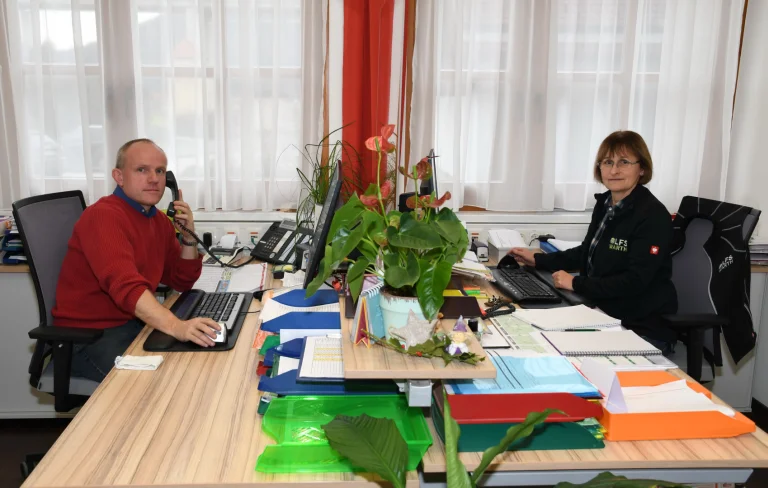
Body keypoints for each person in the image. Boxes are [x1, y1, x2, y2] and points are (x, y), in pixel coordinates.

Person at [52, 138, 221, 382]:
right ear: (119, 177)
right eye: (142, 170)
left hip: (131, 324)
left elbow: (181, 280)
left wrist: (188, 237)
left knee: (194, 366)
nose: (154, 179)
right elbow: (126, 287)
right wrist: (177, 327)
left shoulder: (157, 220)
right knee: (161, 385)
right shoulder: (103, 216)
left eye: (160, 171)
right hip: (88, 338)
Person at [510, 130, 678, 353]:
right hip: (602, 312)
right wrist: (539, 260)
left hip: (639, 327)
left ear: (642, 169)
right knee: (531, 335)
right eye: (607, 162)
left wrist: (576, 284)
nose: (614, 170)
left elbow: (635, 281)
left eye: (624, 162)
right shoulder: (606, 204)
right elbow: (586, 251)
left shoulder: (653, 216)